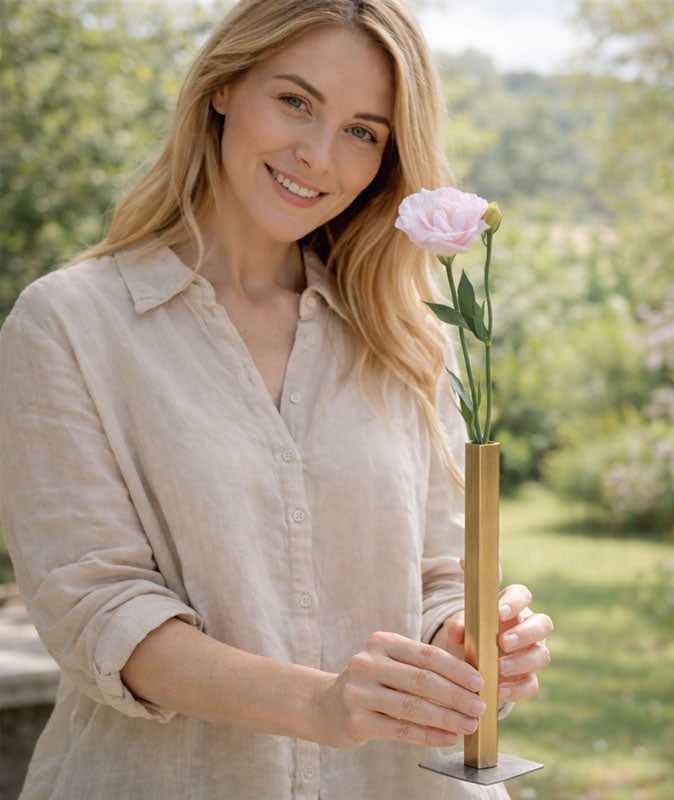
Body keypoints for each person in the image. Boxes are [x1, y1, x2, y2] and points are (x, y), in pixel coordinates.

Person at [0, 1, 553, 797]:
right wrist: (321, 704)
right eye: (295, 101)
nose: (319, 156)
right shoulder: (69, 325)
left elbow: (436, 570)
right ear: (224, 86)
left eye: (364, 131)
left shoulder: (404, 332)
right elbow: (99, 611)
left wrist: (463, 638)